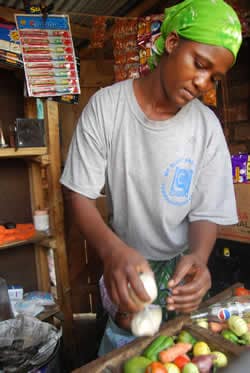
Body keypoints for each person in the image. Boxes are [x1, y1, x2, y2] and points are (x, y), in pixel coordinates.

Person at [60, 0, 242, 355]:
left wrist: (200, 258)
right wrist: (112, 252)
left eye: (214, 77)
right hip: (124, 262)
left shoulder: (205, 127)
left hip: (179, 272)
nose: (203, 82)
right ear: (172, 43)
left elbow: (206, 210)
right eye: (199, 64)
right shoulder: (108, 108)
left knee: (175, 351)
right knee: (123, 353)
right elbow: (78, 194)